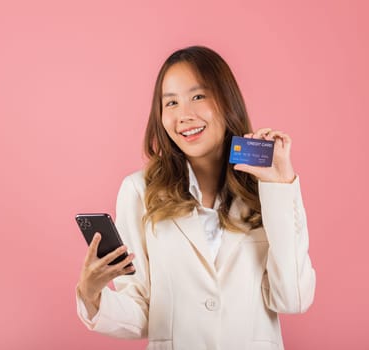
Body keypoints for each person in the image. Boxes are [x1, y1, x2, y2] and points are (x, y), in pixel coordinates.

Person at [75, 46, 316, 350]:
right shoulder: (139, 191)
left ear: (227, 100)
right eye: (171, 102)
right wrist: (92, 294)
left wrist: (280, 188)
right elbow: (143, 310)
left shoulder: (266, 190)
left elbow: (292, 299)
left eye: (198, 96)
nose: (184, 115)